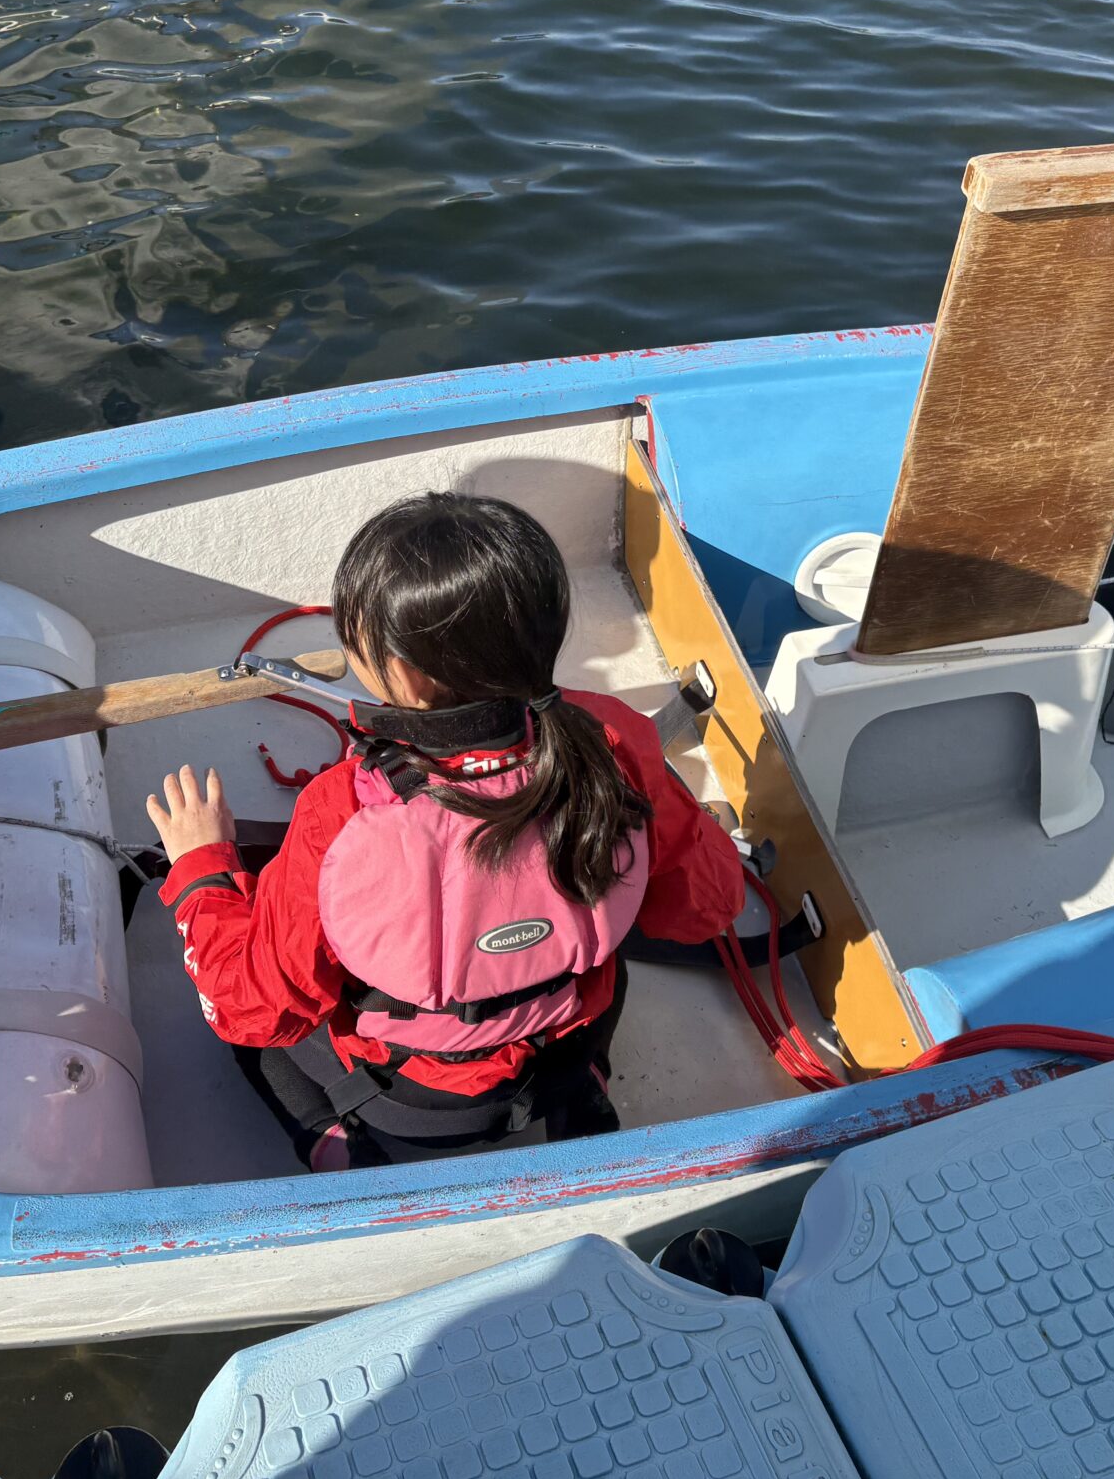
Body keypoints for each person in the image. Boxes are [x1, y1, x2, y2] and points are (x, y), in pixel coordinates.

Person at [145, 490, 743, 1169]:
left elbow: (250, 1004)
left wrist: (202, 866)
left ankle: (337, 1146)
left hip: (411, 1103)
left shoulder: (340, 810)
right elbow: (707, 907)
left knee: (254, 1037)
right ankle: (584, 1091)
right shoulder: (616, 741)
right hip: (562, 1048)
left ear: (406, 676)